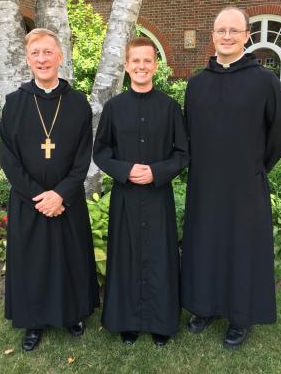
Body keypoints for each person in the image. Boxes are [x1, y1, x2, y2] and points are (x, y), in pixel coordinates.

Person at [181, 6, 281, 349]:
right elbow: (189, 133)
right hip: (205, 184)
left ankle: (240, 317)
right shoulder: (197, 84)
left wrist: (256, 165)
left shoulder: (265, 81)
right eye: (220, 30)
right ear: (212, 36)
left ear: (246, 36)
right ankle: (203, 307)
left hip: (245, 183)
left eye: (233, 31)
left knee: (241, 249)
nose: (226, 36)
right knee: (205, 245)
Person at [0, 28, 99, 351]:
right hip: (29, 201)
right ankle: (33, 321)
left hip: (66, 200)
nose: (42, 59)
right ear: (28, 59)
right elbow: (9, 159)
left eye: (48, 52)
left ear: (59, 56)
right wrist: (37, 196)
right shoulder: (14, 104)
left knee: (67, 258)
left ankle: (72, 314)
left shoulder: (78, 103)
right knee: (34, 262)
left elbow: (84, 156)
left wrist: (61, 193)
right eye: (36, 53)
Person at [93, 37, 188, 346]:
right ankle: (128, 323)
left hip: (158, 196)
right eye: (136, 61)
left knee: (161, 257)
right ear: (126, 66)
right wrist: (125, 170)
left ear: (155, 65)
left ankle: (161, 324)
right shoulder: (113, 107)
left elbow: (182, 153)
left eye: (147, 61)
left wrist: (157, 172)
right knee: (126, 257)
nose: (141, 66)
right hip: (126, 197)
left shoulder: (170, 107)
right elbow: (101, 151)